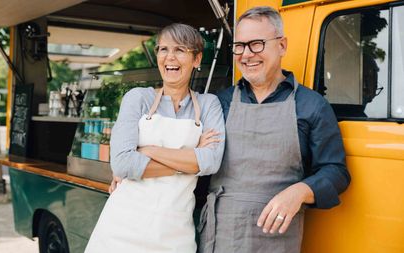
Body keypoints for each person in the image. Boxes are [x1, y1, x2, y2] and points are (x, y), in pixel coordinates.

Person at [198, 6, 351, 253]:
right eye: (239, 46)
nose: (246, 55)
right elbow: (192, 157)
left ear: (282, 45)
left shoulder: (311, 105)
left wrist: (301, 191)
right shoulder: (219, 103)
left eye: (256, 44)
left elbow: (336, 172)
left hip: (277, 239)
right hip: (220, 235)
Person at [85, 23, 225, 253]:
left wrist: (148, 151)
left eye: (180, 50)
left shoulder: (209, 104)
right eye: (163, 49)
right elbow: (122, 163)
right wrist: (190, 162)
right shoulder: (138, 98)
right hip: (123, 227)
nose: (170, 57)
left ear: (197, 59)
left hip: (175, 231)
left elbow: (210, 162)